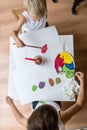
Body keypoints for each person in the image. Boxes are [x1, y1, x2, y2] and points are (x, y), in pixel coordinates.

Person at [6, 71, 85, 130]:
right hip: (54, 100)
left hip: (36, 101)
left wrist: (11, 105)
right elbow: (79, 104)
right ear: (56, 114)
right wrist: (82, 81)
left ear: (33, 117)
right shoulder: (61, 119)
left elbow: (20, 119)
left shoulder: (32, 124)